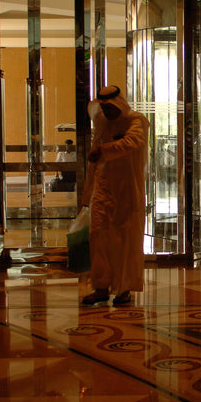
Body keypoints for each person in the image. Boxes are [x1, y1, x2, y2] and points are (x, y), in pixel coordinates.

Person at [80, 85, 149, 306]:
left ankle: (124, 289)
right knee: (98, 235)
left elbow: (132, 142)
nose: (107, 112)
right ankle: (100, 286)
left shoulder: (135, 121)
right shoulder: (101, 122)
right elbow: (95, 154)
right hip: (102, 189)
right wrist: (87, 193)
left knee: (125, 240)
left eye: (110, 108)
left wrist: (104, 150)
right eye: (104, 108)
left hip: (127, 191)